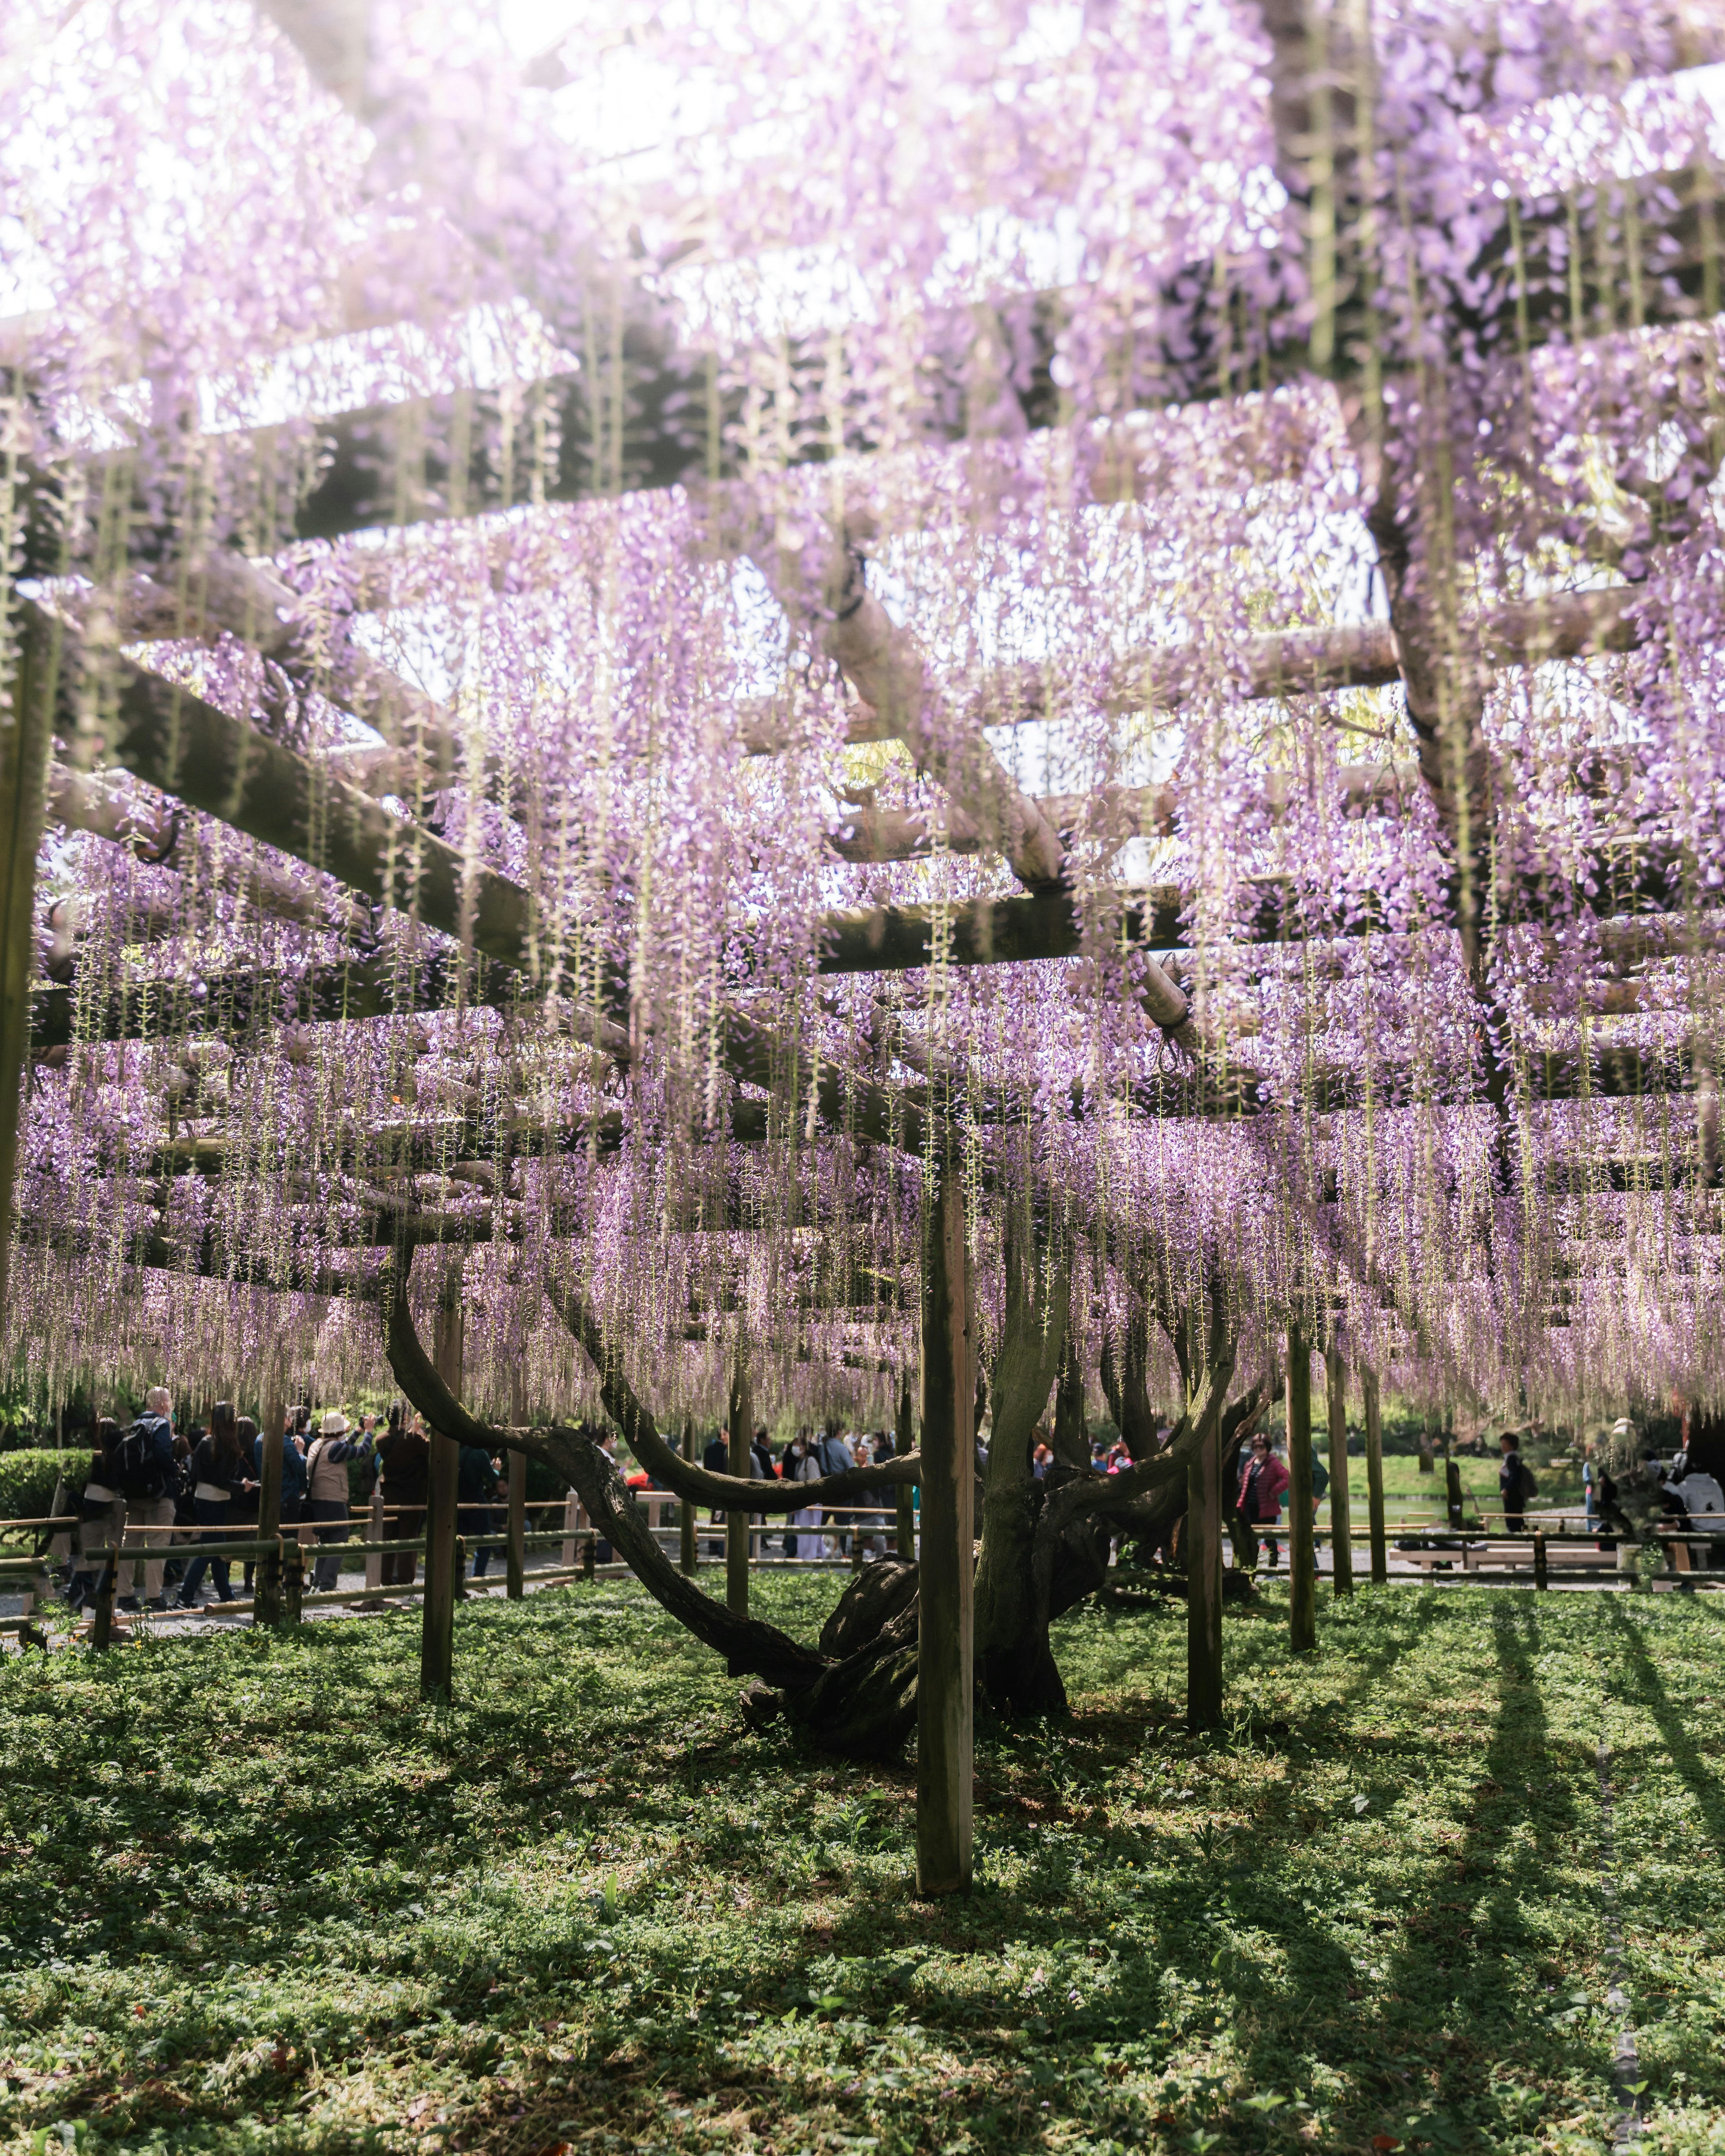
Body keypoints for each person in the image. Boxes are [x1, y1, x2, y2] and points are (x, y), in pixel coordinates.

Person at [176, 1401, 254, 1606]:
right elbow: (223, 1481)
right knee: (210, 1550)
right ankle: (185, 1596)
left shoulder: (206, 1441)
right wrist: (242, 1487)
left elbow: (194, 1476)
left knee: (218, 1549)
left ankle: (226, 1595)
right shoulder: (226, 1444)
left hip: (202, 1498)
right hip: (217, 1500)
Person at [115, 1387, 178, 1611]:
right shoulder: (161, 1424)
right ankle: (154, 1597)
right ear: (163, 1403)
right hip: (158, 1497)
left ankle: (124, 1595)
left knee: (130, 1545)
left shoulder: (135, 1425)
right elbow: (163, 1454)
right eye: (169, 1401)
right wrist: (175, 1470)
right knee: (158, 1546)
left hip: (135, 1496)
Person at [303, 1409, 372, 1592]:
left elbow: (344, 1448)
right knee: (340, 1539)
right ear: (339, 1432)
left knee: (325, 1541)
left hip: (318, 1501)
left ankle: (317, 1583)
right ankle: (327, 1584)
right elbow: (363, 1450)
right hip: (333, 1500)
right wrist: (369, 1432)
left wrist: (358, 1430)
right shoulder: (335, 1448)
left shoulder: (318, 1445)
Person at [67, 1418, 124, 1612]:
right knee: (109, 1554)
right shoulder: (112, 1451)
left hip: (90, 1504)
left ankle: (79, 1597)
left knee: (90, 1553)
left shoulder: (92, 1451)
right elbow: (114, 1481)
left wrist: (80, 1507)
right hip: (109, 1505)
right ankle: (90, 1598)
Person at [376, 1408, 430, 1587]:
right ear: (405, 1417)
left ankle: (385, 1580)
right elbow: (432, 1449)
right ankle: (405, 1583)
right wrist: (415, 1432)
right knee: (408, 1541)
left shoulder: (381, 1439)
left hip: (389, 1495)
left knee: (388, 1540)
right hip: (411, 1497)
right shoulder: (412, 1439)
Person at [1238, 1431, 1291, 1572]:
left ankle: (1272, 1570)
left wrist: (1274, 1491)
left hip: (1267, 1508)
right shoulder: (1250, 1464)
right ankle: (1250, 1569)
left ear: (1267, 1448)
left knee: (1269, 1539)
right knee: (1250, 1539)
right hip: (1251, 1507)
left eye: (1261, 1447)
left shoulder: (1273, 1463)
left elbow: (1287, 1478)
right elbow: (1245, 1486)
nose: (1258, 1450)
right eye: (1256, 1447)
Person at [458, 1441, 501, 1582]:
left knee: (459, 1543)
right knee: (484, 1541)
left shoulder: (457, 1452)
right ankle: (478, 1579)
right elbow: (492, 1477)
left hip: (457, 1502)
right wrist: (497, 1469)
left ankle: (457, 1580)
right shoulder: (479, 1453)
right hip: (476, 1503)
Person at [1499, 1430, 1534, 1534]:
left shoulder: (1511, 1459)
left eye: (1505, 1444)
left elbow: (1515, 1476)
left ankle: (1515, 1537)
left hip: (1512, 1495)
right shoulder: (1513, 1458)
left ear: (1512, 1445)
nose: (1502, 1447)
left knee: (1512, 1517)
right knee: (1516, 1517)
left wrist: (1506, 1489)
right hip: (1515, 1495)